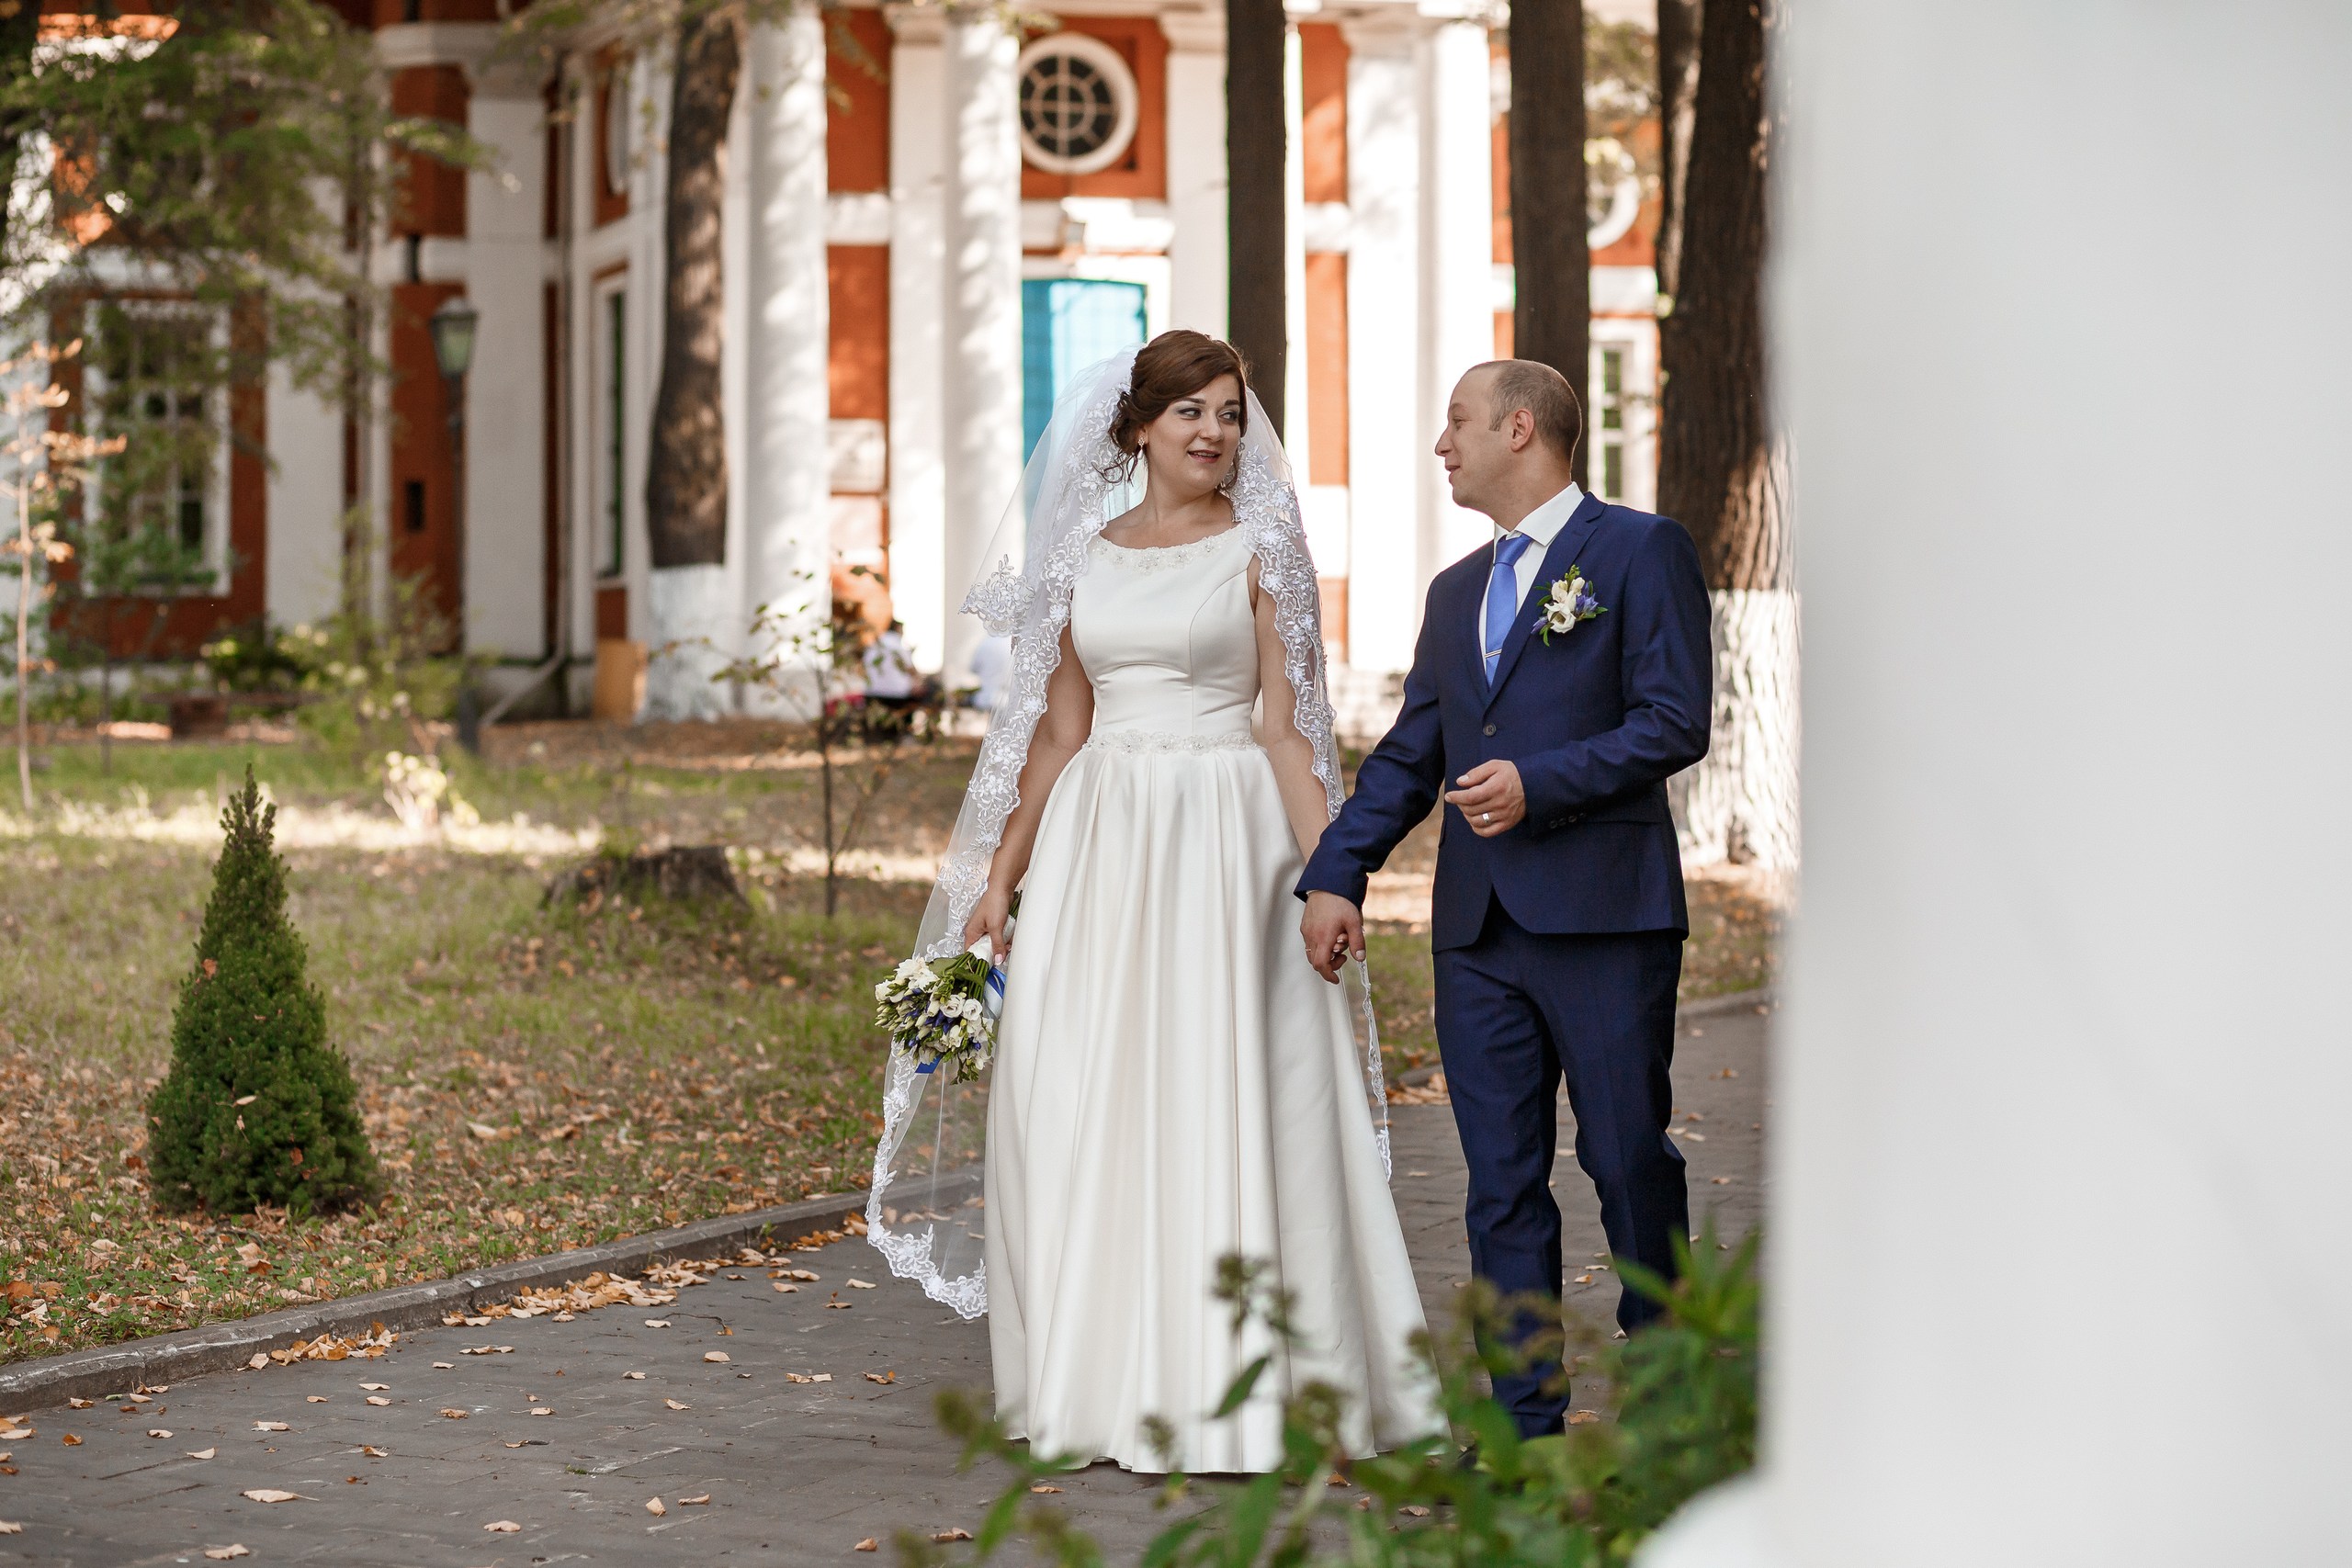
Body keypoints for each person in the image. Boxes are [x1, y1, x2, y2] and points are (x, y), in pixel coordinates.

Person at [864, 332, 1436, 1473]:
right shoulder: (1081, 555)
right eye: (1190, 412)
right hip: (1099, 839)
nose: (1215, 431)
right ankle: (1103, 1379)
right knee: (1080, 1089)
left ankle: (1262, 1385)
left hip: (1228, 836)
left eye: (1229, 412)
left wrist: (1330, 877)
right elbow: (1060, 729)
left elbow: (1287, 730)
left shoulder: (1264, 548)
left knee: (1240, 1083)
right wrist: (1001, 873)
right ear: (1138, 428)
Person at [1297, 360, 1713, 1440]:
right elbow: (1409, 757)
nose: (1442, 444)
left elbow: (1674, 721)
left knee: (1626, 1161)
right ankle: (1523, 1430)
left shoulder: (1638, 550)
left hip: (1606, 917)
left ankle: (1668, 1406)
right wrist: (1339, 873)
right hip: (1476, 932)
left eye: (1457, 423)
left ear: (1519, 428)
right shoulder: (1453, 592)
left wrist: (1543, 782)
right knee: (1499, 1185)